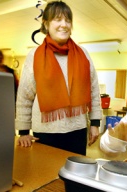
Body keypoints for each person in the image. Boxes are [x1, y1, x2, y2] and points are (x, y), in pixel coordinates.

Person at [15, 1, 102, 155]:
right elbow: (24, 96)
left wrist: (95, 123)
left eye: (68, 20)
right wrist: (23, 131)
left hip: (77, 129)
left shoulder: (83, 53)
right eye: (58, 19)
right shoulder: (34, 55)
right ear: (46, 23)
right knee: (46, 176)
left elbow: (94, 91)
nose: (64, 24)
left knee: (74, 177)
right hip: (45, 131)